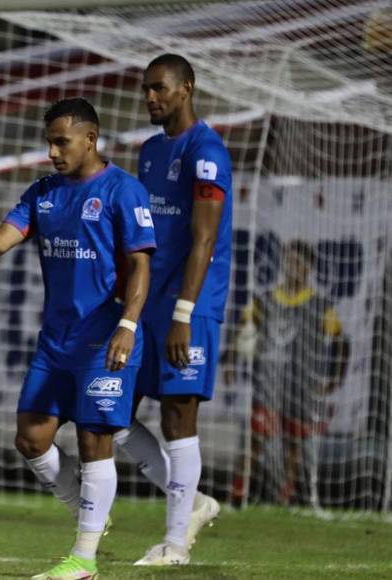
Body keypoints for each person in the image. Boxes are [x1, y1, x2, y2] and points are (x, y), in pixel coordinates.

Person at [0, 97, 156, 580]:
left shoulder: (124, 191)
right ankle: (89, 512)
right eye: (49, 143)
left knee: (94, 439)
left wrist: (127, 325)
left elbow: (141, 265)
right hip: (56, 341)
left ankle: (83, 560)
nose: (52, 152)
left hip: (105, 337)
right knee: (31, 438)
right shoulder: (43, 193)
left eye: (62, 142)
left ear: (90, 138)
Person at [116, 53, 230, 566]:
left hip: (191, 304)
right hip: (148, 300)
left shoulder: (207, 151)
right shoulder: (150, 151)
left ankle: (175, 544)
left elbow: (204, 239)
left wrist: (184, 312)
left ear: (187, 88)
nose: (150, 97)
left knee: (177, 415)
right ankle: (194, 502)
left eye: (159, 87)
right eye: (146, 88)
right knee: (111, 409)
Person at [230, 240, 349, 506]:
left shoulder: (321, 305)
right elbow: (242, 330)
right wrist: (231, 360)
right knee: (255, 440)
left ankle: (285, 496)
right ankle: (237, 494)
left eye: (299, 262)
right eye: (290, 261)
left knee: (292, 444)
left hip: (301, 386)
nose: (293, 266)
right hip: (268, 384)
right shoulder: (264, 300)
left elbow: (342, 343)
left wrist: (335, 379)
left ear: (309, 268)